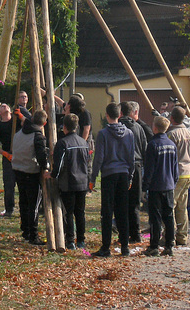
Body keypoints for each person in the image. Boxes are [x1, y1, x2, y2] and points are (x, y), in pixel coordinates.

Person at [90, 102, 135, 258]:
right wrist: (130, 176)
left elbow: (99, 158)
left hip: (109, 174)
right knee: (122, 211)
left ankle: (105, 246)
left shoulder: (103, 134)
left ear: (107, 115)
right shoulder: (129, 133)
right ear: (120, 115)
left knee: (107, 211)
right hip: (123, 173)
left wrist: (93, 177)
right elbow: (131, 157)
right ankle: (125, 246)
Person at [12, 108, 50, 245]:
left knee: (23, 202)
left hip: (17, 169)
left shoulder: (19, 133)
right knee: (33, 204)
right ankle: (33, 235)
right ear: (44, 124)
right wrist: (46, 166)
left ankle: (25, 230)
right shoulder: (38, 136)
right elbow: (41, 157)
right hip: (31, 172)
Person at [52, 113, 89, 250]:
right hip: (82, 182)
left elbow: (59, 164)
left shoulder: (63, 143)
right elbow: (87, 162)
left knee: (68, 212)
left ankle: (70, 241)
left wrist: (53, 175)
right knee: (80, 212)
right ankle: (81, 240)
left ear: (64, 127)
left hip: (68, 183)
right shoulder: (83, 142)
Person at [142, 115, 178, 256]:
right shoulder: (172, 144)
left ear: (155, 127)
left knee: (155, 217)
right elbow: (175, 167)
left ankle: (154, 246)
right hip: (168, 184)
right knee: (169, 216)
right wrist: (174, 181)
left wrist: (145, 187)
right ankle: (169, 245)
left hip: (156, 185)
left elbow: (149, 168)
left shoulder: (153, 145)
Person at [166, 106, 190, 246]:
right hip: (188, 172)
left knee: (170, 205)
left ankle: (169, 235)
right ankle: (182, 236)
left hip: (175, 173)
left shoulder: (171, 135)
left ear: (172, 118)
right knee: (182, 207)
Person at [119, 101, 147, 243]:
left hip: (121, 166)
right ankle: (135, 234)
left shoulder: (117, 127)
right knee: (134, 203)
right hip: (137, 165)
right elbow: (144, 148)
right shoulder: (138, 128)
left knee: (122, 202)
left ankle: (123, 235)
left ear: (121, 112)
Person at [0, 103, 16, 217]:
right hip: (8, 156)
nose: (5, 106)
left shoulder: (17, 122)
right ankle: (9, 209)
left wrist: (20, 116)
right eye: (2, 106)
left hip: (20, 154)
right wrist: (5, 154)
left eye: (6, 105)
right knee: (9, 184)